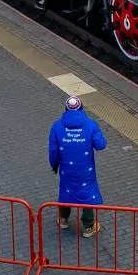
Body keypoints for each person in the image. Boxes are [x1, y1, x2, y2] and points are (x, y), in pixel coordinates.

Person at [48, 96, 107, 238]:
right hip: (86, 169)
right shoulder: (91, 125)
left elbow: (53, 150)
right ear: (81, 108)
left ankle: (63, 220)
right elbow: (101, 145)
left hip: (67, 168)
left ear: (66, 109)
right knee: (87, 193)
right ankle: (88, 227)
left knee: (66, 190)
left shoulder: (57, 126)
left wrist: (54, 164)